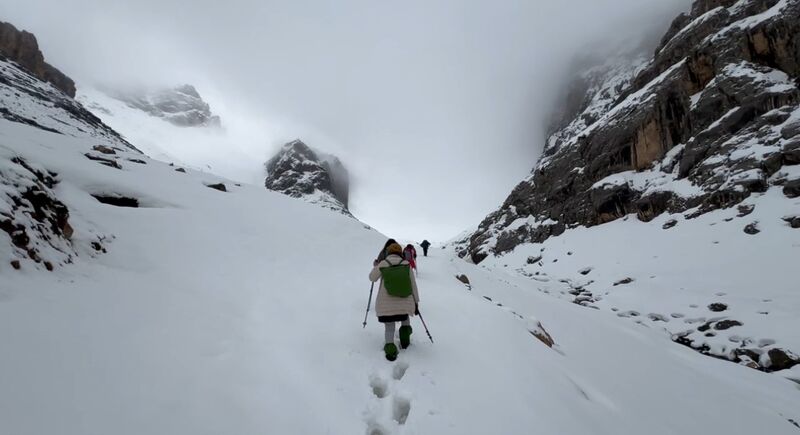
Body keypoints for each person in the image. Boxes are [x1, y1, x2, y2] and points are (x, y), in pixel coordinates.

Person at [369, 242, 420, 361]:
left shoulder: (383, 264)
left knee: (389, 326)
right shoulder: (406, 264)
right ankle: (405, 338)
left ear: (388, 253)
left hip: (386, 306)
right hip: (405, 304)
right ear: (400, 253)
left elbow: (372, 278)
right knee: (405, 317)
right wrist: (416, 303)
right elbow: (413, 286)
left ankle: (390, 348)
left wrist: (375, 266)